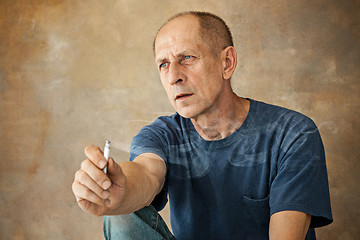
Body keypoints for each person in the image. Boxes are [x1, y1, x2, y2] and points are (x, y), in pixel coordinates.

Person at [72, 11, 333, 240]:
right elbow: (146, 173)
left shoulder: (293, 133)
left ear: (226, 63)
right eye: (163, 64)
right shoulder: (161, 134)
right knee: (121, 215)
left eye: (186, 58)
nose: (174, 76)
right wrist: (118, 190)